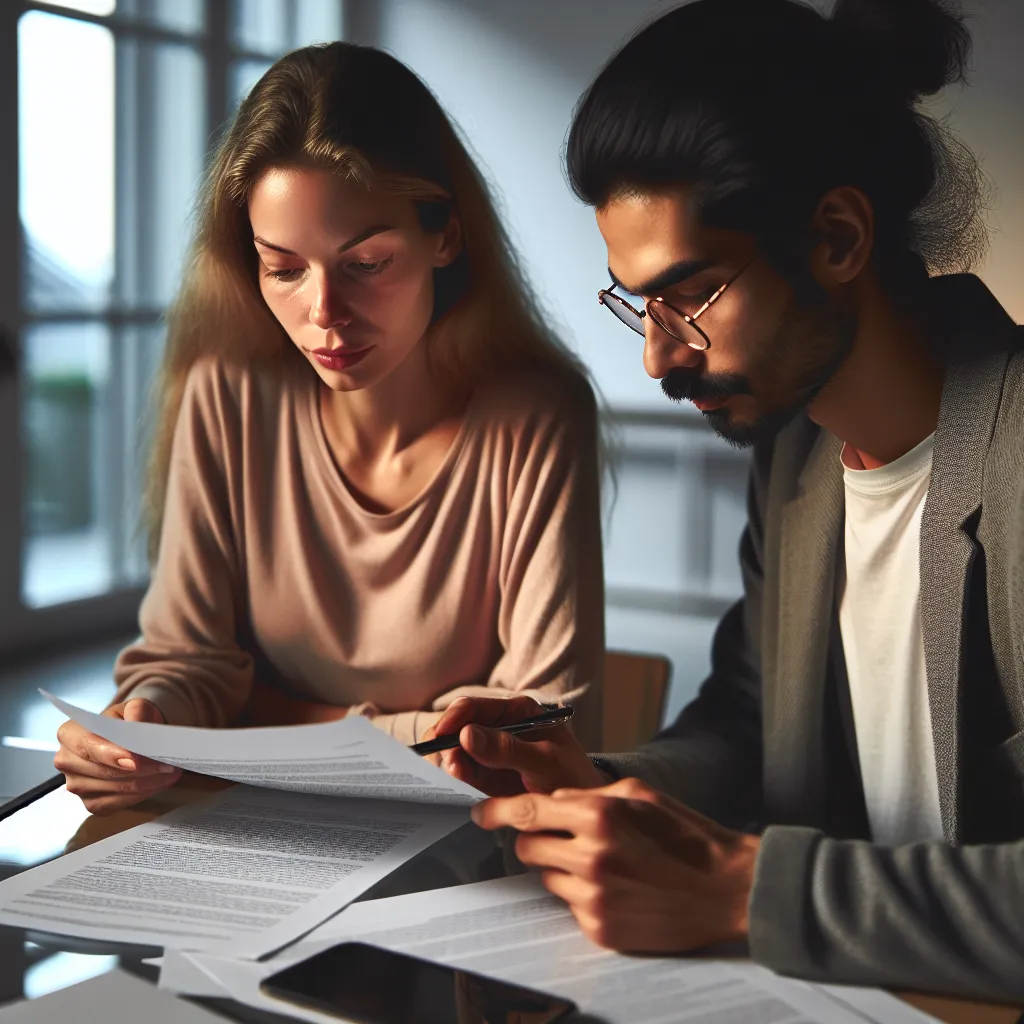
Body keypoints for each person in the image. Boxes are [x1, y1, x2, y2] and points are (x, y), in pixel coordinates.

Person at [429, 0, 1024, 1003]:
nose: (660, 355)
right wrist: (593, 783)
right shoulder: (795, 456)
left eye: (691, 294)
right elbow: (750, 728)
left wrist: (748, 892)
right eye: (639, 305)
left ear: (836, 236)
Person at [53, 43, 605, 816]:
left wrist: (266, 718)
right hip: (251, 832)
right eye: (283, 268)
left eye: (367, 263)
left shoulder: (537, 414)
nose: (324, 315)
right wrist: (142, 720)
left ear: (444, 236)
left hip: (455, 849)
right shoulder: (228, 391)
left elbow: (540, 723)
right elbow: (190, 661)